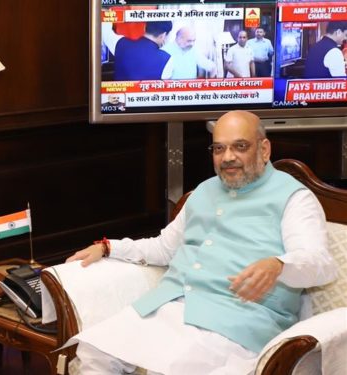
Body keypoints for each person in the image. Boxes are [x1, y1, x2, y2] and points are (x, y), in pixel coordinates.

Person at [66, 110, 337, 374]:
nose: (228, 157)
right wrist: (108, 247)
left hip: (235, 321)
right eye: (219, 149)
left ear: (264, 149)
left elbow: (319, 264)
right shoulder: (203, 191)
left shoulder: (293, 197)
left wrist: (278, 265)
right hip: (171, 306)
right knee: (95, 348)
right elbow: (164, 248)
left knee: (172, 366)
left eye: (239, 146)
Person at [103, 21, 174, 80]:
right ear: (163, 35)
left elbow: (103, 28)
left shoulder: (120, 43)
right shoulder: (167, 59)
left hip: (118, 96)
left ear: (144, 28)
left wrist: (109, 11)